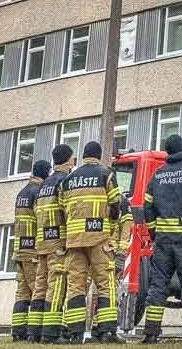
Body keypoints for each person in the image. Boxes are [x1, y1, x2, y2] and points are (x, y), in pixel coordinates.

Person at [135, 135, 182, 343]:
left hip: (163, 241)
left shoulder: (157, 175)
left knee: (158, 286)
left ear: (167, 152)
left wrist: (153, 232)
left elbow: (147, 206)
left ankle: (150, 333)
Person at [60, 140, 127, 343]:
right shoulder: (106, 174)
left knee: (76, 286)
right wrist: (111, 224)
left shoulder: (68, 179)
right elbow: (116, 204)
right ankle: (106, 332)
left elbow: (62, 210)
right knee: (105, 283)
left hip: (74, 240)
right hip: (98, 237)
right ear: (98, 156)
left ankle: (75, 334)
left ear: (83, 156)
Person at [34, 145, 74, 344]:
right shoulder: (64, 182)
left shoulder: (44, 184)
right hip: (58, 243)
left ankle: (35, 333)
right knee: (57, 285)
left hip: (42, 243)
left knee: (40, 286)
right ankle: (51, 333)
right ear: (69, 161)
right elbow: (68, 210)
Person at [12, 158, 52, 341]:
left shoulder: (22, 192)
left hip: (20, 250)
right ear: (45, 173)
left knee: (22, 292)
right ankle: (34, 333)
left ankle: (18, 332)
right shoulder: (38, 192)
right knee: (38, 289)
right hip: (33, 251)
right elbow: (41, 221)